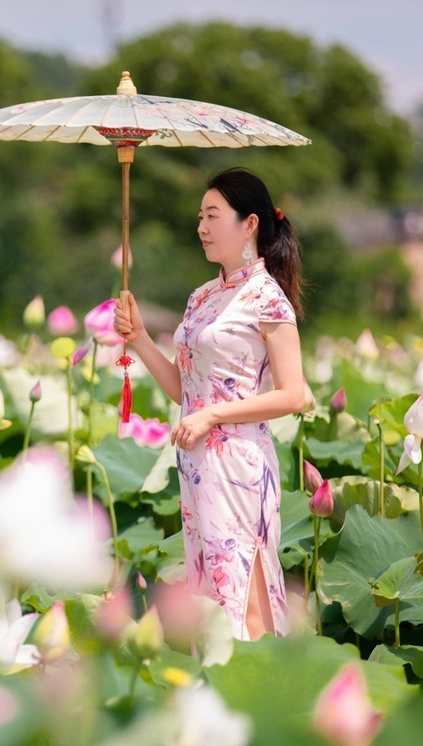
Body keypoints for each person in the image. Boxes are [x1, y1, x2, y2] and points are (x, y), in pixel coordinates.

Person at [113, 166, 306, 640]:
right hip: (196, 463)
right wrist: (138, 337)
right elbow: (187, 391)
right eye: (200, 215)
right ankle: (221, 691)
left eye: (213, 215)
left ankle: (264, 694)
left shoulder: (267, 298)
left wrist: (213, 415)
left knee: (243, 596)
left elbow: (295, 394)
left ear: (250, 224)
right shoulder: (201, 298)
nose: (201, 227)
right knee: (210, 596)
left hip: (239, 465)